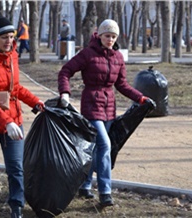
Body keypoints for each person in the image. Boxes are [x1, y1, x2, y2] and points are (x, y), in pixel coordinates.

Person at [57, 19, 152, 207]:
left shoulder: (117, 57)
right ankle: (105, 192)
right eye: (107, 35)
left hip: (109, 108)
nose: (110, 39)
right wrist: (65, 92)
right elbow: (65, 71)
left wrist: (140, 98)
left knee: (96, 150)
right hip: (91, 106)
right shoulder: (87, 54)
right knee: (105, 145)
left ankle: (84, 185)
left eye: (113, 36)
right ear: (99, 35)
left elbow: (122, 85)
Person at [0, 16, 45, 218]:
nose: (9, 41)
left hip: (13, 121)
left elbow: (16, 88)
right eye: (4, 37)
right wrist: (7, 122)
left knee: (16, 168)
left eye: (11, 36)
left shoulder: (12, 56)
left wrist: (36, 102)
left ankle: (16, 208)